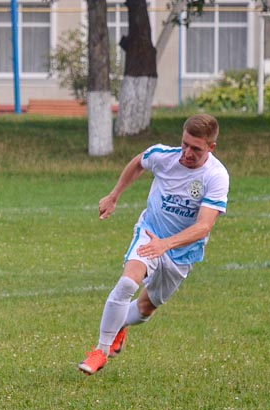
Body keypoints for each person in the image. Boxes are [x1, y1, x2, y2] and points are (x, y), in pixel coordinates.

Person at [78, 114, 229, 375]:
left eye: (196, 149)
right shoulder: (163, 156)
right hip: (150, 233)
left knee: (146, 309)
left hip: (182, 252)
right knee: (127, 283)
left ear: (211, 148)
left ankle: (120, 324)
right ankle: (99, 352)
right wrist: (114, 196)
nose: (187, 153)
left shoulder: (216, 176)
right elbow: (139, 162)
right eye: (185, 144)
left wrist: (166, 245)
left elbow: (204, 226)